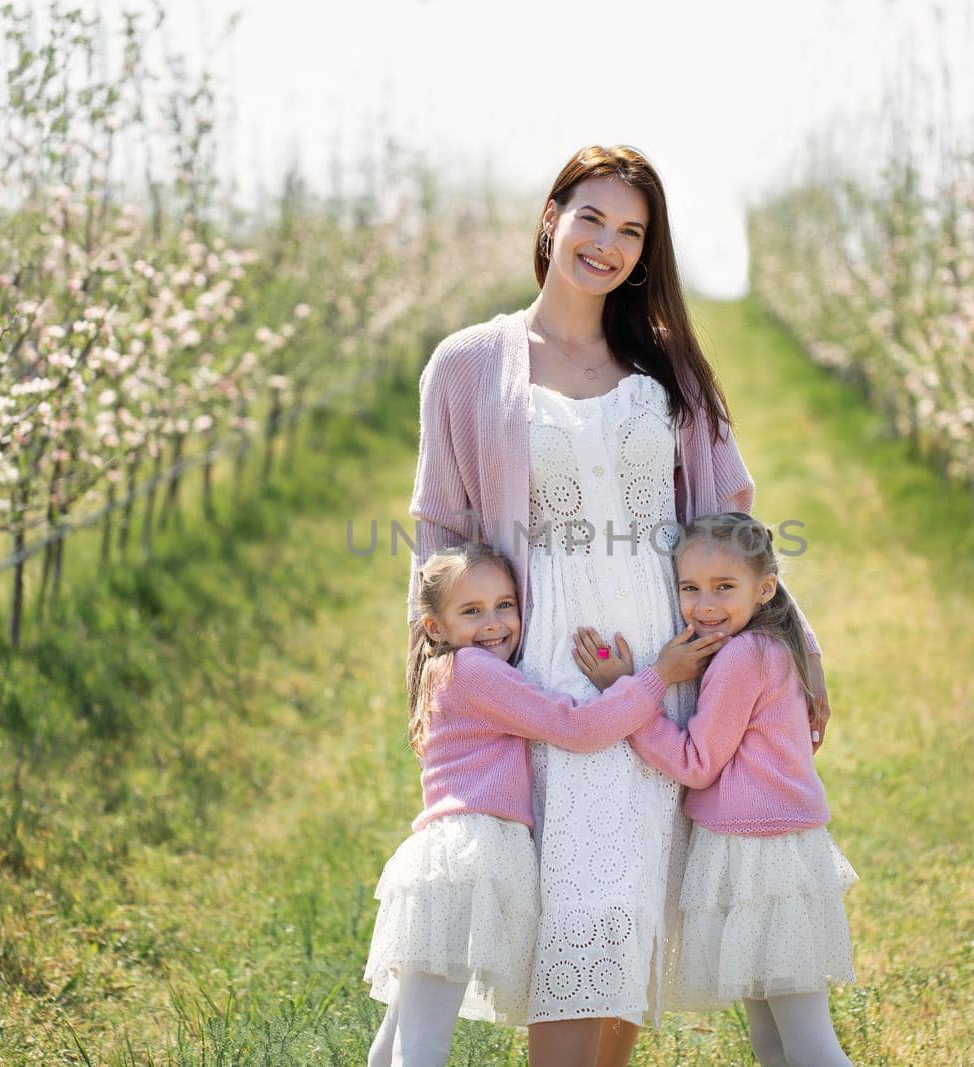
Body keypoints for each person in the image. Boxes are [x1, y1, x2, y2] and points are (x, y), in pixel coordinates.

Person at [405, 143, 831, 1066]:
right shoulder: (471, 364)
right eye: (592, 216)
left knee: (632, 901)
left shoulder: (668, 366)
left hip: (668, 658)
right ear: (551, 216)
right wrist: (438, 675)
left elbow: (729, 519)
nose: (608, 243)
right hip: (551, 662)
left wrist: (796, 642)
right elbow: (440, 528)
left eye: (633, 231)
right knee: (577, 902)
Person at [366, 543, 725, 1067]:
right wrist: (656, 678)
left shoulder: (446, 672)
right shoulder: (473, 670)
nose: (494, 624)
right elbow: (576, 727)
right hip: (472, 857)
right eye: (472, 611)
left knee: (403, 1033)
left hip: (448, 860)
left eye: (505, 605)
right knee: (421, 1046)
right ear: (434, 626)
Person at [577, 513, 857, 1067]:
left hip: (762, 858)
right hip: (763, 849)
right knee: (774, 1041)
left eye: (724, 587)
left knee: (807, 1043)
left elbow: (696, 762)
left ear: (766, 588)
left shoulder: (742, 657)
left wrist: (628, 694)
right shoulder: (770, 645)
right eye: (690, 588)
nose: (705, 604)